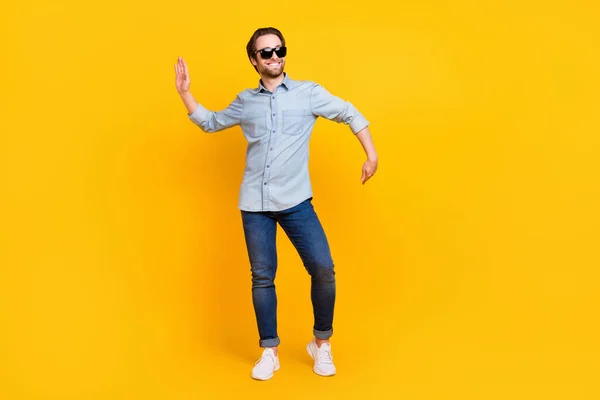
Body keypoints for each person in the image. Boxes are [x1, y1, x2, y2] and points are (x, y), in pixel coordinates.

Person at [174, 27, 378, 380]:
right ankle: (270, 351)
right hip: (255, 203)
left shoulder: (308, 94)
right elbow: (209, 122)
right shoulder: (245, 101)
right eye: (265, 52)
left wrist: (371, 155)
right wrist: (186, 93)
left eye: (279, 49)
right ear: (255, 60)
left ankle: (321, 343)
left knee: (323, 268)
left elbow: (350, 113)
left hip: (297, 201)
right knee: (263, 277)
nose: (274, 57)